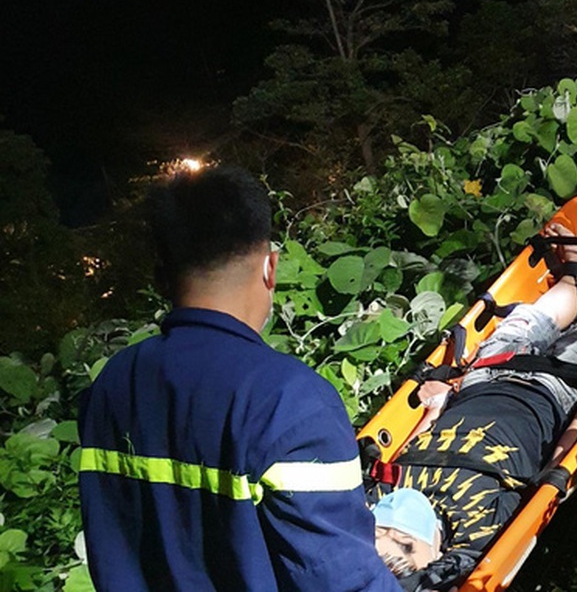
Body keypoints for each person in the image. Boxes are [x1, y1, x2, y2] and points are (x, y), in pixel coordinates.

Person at [78, 165, 400, 591]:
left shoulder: (112, 385)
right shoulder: (292, 403)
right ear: (270, 268)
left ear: (161, 279)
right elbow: (343, 579)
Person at [367, 226, 577, 592]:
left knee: (533, 317)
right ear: (435, 556)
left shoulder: (379, 495)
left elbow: (412, 450)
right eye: (404, 544)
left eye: (380, 530)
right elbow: (551, 474)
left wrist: (437, 407)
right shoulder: (476, 532)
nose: (394, 524)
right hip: (553, 390)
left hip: (484, 377)